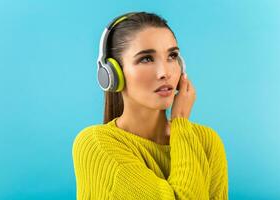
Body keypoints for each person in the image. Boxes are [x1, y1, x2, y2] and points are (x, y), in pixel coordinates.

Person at [72, 11, 228, 200]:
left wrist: (181, 128)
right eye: (146, 59)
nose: (165, 73)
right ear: (112, 75)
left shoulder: (207, 142)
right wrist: (180, 121)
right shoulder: (95, 144)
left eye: (172, 56)